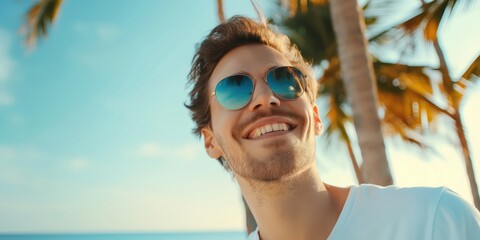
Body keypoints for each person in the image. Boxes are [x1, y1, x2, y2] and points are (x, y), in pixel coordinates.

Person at [185, 16, 480, 240]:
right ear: (210, 141)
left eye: (284, 79)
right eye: (234, 88)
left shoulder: (434, 221)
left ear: (315, 117)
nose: (266, 97)